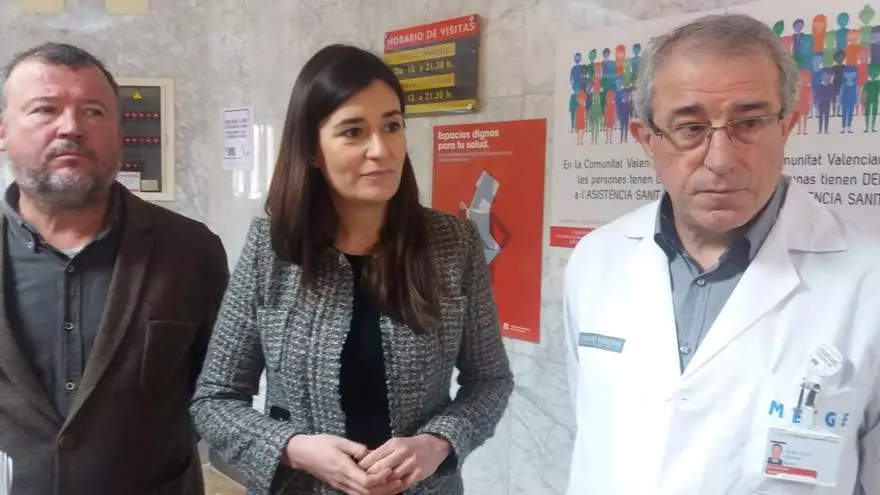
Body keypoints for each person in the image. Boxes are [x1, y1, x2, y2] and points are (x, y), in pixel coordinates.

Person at [564, 14, 880, 495]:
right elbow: (592, 431)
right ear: (647, 140)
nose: (721, 160)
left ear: (787, 126)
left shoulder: (868, 279)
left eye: (749, 123)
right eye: (690, 127)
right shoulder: (595, 260)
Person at [191, 44, 513, 495]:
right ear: (312, 149)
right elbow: (215, 399)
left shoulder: (452, 243)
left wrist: (438, 442)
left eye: (392, 126)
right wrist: (294, 447)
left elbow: (490, 380)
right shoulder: (273, 249)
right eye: (353, 132)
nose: (380, 150)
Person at [0, 43, 229, 495]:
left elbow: (220, 396)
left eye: (93, 111)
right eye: (45, 109)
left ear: (119, 132)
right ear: (3, 131)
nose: (71, 127)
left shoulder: (190, 251)